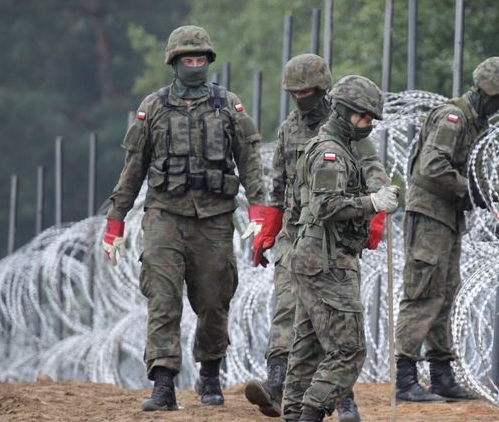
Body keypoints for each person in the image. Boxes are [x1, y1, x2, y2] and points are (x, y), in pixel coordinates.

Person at [101, 25, 270, 411]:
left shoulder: (228, 105)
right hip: (164, 216)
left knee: (214, 300)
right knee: (163, 300)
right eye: (187, 60)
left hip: (214, 218)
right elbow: (133, 169)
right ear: (174, 63)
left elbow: (250, 163)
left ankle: (210, 374)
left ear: (208, 62)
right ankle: (163, 384)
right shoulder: (154, 108)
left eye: (199, 59)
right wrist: (115, 223)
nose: (194, 66)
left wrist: (261, 212)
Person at [244, 55, 388, 422]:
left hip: (333, 233)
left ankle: (344, 401)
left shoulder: (347, 124)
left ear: (323, 90)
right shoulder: (290, 130)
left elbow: (374, 172)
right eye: (294, 93)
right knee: (291, 309)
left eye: (306, 92)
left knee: (331, 322)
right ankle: (278, 387)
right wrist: (267, 231)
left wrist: (374, 217)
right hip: (297, 232)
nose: (300, 98)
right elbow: (279, 186)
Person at [395, 57, 499, 402]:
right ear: (488, 91)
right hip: (430, 217)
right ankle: (404, 377)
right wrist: (472, 190)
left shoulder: (474, 123)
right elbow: (431, 167)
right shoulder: (454, 118)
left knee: (446, 292)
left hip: (447, 218)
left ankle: (441, 375)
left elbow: (466, 177)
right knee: (422, 293)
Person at [282, 75, 400, 422]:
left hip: (314, 257)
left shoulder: (336, 146)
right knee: (348, 349)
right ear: (346, 112)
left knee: (308, 346)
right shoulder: (331, 153)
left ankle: (294, 414)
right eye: (363, 117)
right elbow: (326, 206)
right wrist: (372, 203)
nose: (366, 125)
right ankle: (311, 413)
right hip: (327, 260)